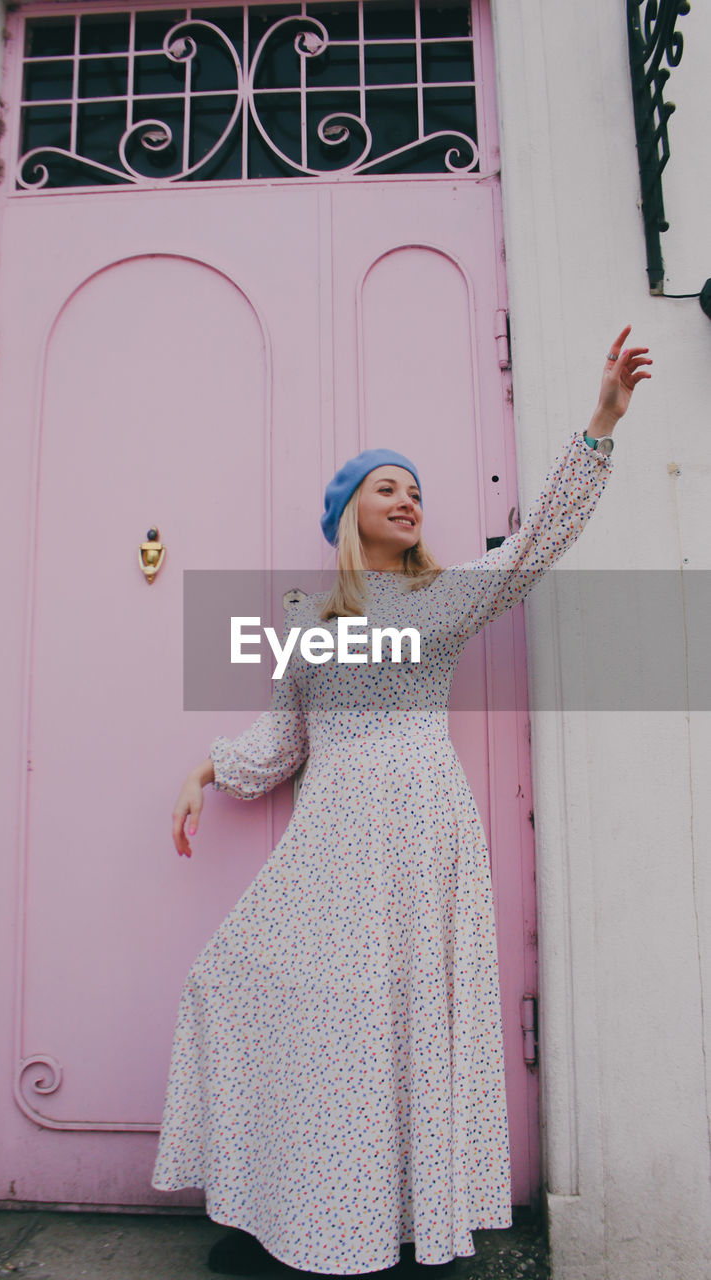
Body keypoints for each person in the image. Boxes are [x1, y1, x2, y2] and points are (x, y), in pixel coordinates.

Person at [151, 328, 652, 1275]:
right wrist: (206, 771)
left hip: (422, 822)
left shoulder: (444, 599)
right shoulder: (311, 621)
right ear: (349, 514)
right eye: (388, 487)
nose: (409, 498)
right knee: (259, 990)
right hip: (333, 828)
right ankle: (297, 1216)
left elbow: (542, 537)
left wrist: (601, 423)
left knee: (412, 1015)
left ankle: (417, 1225)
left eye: (415, 489)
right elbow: (284, 740)